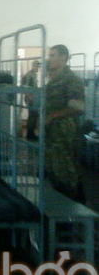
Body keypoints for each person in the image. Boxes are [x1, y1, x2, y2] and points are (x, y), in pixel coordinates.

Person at [45, 44, 85, 203]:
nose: (49, 59)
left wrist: (53, 116)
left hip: (65, 131)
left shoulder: (71, 80)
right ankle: (61, 201)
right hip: (53, 131)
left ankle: (75, 204)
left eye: (52, 55)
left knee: (67, 166)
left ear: (63, 57)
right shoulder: (53, 79)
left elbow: (77, 107)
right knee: (54, 166)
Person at [21, 60, 40, 140]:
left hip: (33, 98)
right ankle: (30, 135)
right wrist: (30, 97)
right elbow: (25, 87)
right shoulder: (29, 75)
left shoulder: (33, 74)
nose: (38, 68)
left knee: (33, 116)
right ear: (33, 66)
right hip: (31, 98)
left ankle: (31, 134)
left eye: (38, 66)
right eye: (37, 66)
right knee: (32, 116)